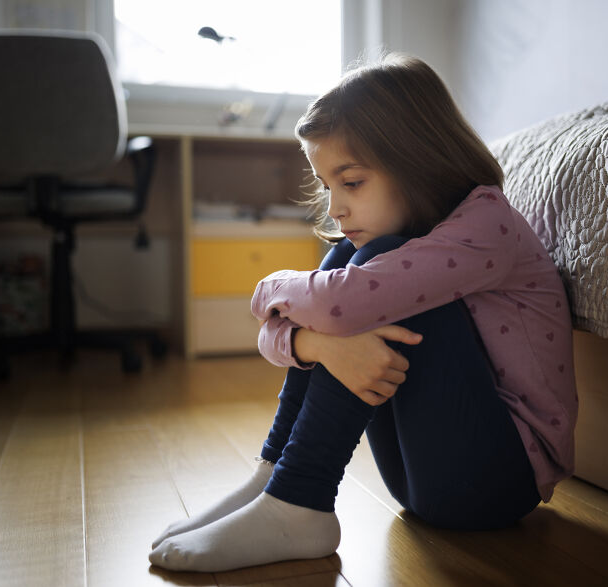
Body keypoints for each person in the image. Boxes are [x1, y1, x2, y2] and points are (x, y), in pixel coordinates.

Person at [149, 54, 576, 573]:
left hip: (498, 480)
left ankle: (298, 501)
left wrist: (272, 291)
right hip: (420, 476)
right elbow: (288, 332)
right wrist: (317, 345)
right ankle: (277, 478)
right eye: (328, 187)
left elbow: (335, 303)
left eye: (351, 183)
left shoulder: (487, 226)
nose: (335, 208)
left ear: (418, 160)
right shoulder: (398, 241)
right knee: (349, 261)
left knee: (369, 270)